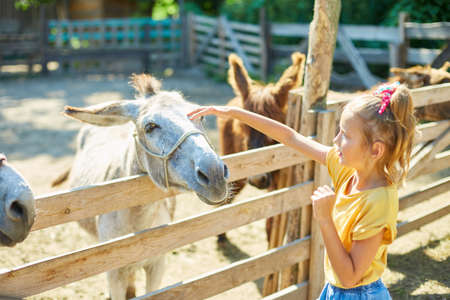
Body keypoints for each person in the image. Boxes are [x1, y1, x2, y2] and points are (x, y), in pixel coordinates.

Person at [188, 82, 416, 299]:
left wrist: (325, 220)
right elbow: (290, 137)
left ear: (375, 150)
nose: (335, 140)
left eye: (345, 135)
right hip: (334, 289)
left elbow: (350, 277)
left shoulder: (379, 201)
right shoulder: (347, 171)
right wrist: (235, 113)